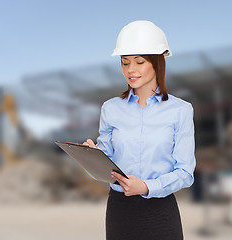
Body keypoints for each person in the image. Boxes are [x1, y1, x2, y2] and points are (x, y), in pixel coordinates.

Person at [83, 20, 196, 240]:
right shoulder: (111, 109)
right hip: (120, 211)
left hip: (160, 212)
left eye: (139, 62)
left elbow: (185, 173)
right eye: (125, 63)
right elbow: (107, 164)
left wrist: (146, 186)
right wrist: (92, 157)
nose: (130, 70)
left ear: (157, 63)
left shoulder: (180, 110)